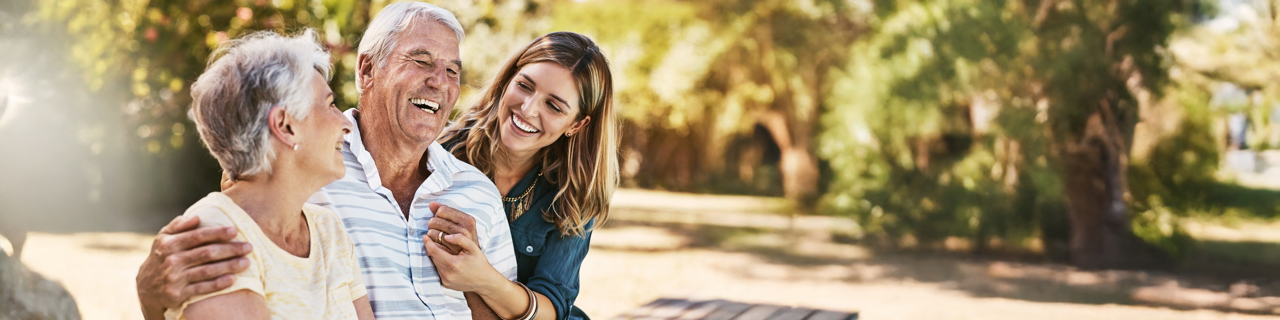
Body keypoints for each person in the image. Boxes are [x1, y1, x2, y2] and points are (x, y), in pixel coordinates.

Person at [135, 3, 517, 319]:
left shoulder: (327, 230)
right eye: (421, 60)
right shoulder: (225, 232)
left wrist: (480, 279)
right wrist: (151, 298)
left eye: (453, 70)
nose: (342, 122)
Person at [169, 29, 370, 319]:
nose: (346, 123)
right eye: (329, 105)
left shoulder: (329, 231)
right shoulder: (214, 236)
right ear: (285, 126)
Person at [428, 31, 617, 320]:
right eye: (525, 86)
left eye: (553, 106)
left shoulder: (573, 193)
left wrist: (482, 279)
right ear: (507, 81)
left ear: (576, 125)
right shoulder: (442, 154)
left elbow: (552, 308)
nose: (528, 110)